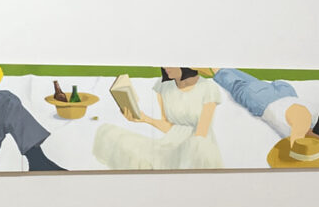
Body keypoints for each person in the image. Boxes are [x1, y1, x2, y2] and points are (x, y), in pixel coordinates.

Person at [212, 67, 319, 161]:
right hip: (263, 99)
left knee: (245, 78)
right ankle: (210, 68)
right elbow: (298, 147)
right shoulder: (302, 117)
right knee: (227, 78)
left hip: (286, 92)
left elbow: (314, 136)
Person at [94, 67, 223, 171]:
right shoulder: (163, 87)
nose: (165, 68)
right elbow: (168, 126)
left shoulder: (208, 87)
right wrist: (144, 119)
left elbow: (201, 132)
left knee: (196, 147)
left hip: (199, 147)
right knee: (109, 133)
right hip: (170, 144)